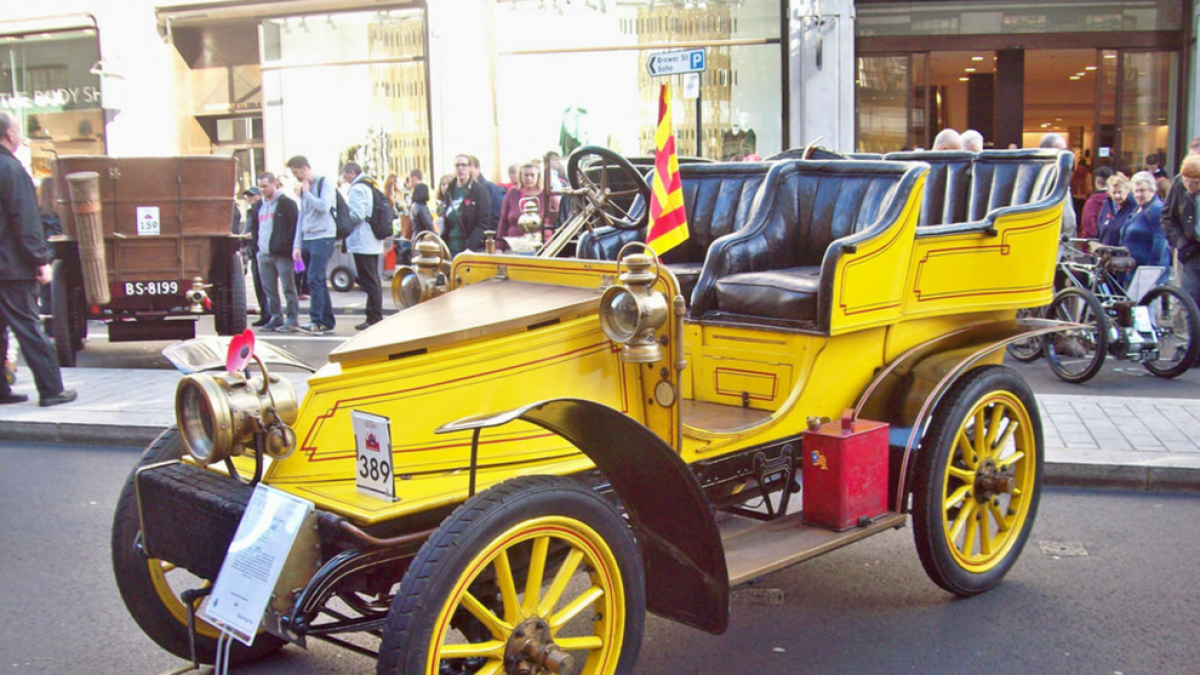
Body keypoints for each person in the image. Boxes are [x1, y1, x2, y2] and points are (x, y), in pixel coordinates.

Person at [0, 111, 75, 407]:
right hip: (11, 266)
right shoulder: (11, 170)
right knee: (29, 328)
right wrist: (40, 259)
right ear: (9, 135)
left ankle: (1, 391)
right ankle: (51, 389)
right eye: (19, 132)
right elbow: (25, 221)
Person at [286, 155, 337, 334]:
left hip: (323, 236)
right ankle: (327, 320)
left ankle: (316, 320)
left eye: (296, 173)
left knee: (314, 279)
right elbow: (302, 217)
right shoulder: (303, 189)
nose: (296, 178)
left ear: (304, 168)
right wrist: (297, 245)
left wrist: (307, 194)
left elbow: (324, 206)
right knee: (318, 280)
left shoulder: (324, 183)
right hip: (308, 237)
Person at [247, 172, 300, 332]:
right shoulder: (259, 206)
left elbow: (294, 227)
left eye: (265, 186)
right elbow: (255, 228)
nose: (262, 190)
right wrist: (256, 248)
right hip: (263, 253)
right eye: (260, 186)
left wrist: (291, 247)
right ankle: (275, 317)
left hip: (282, 253)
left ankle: (292, 319)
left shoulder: (287, 204)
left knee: (288, 287)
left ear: (274, 184)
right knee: (269, 289)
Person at [340, 162, 384, 330]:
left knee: (369, 280)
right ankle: (374, 315)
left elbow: (357, 214)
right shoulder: (370, 185)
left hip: (363, 240)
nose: (345, 180)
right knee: (373, 279)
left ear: (351, 173)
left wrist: (344, 221)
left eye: (345, 176)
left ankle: (373, 316)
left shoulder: (357, 188)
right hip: (372, 239)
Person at [1161, 155, 1200, 307]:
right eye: (1186, 181)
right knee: (1190, 302)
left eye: (1195, 183)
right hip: (1190, 250)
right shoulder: (1178, 184)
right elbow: (1167, 217)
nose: (1189, 186)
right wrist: (1181, 243)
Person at [1118, 171, 1169, 285]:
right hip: (1133, 272)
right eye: (1135, 191)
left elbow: (1160, 241)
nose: (1138, 195)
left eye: (1142, 190)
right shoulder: (1137, 209)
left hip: (1147, 273)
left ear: (1152, 190)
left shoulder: (1156, 209)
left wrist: (1150, 271)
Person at [441, 154, 492, 256]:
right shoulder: (450, 191)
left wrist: (470, 247)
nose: (460, 168)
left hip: (469, 250)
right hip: (449, 248)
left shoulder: (479, 191)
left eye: (464, 165)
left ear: (469, 168)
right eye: (457, 165)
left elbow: (483, 223)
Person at [497, 162, 548, 250]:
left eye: (532, 175)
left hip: (541, 247)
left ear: (538, 176)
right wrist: (499, 247)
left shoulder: (547, 195)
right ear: (520, 176)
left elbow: (553, 223)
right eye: (526, 175)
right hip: (514, 246)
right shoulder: (512, 193)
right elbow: (503, 221)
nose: (529, 178)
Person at [240, 186, 271, 327]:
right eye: (248, 197)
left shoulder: (259, 209)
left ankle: (268, 314)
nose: (250, 199)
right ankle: (266, 313)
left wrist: (251, 235)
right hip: (254, 250)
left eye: (252, 196)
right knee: (259, 284)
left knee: (264, 284)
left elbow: (260, 228)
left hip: (260, 249)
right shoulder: (251, 211)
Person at [1096, 172, 1135, 247]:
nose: (1117, 196)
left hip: (1124, 255)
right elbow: (1099, 231)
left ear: (1127, 190)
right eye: (1114, 193)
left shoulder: (1134, 206)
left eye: (1120, 192)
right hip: (1105, 254)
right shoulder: (1106, 205)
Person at [469, 155, 505, 228]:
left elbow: (496, 215)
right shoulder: (461, 190)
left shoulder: (489, 187)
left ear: (478, 168)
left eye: (469, 167)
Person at [1079, 165, 1114, 240]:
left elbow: (1089, 228)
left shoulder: (1091, 202)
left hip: (1096, 246)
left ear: (1097, 182)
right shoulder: (1119, 201)